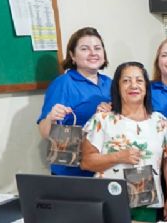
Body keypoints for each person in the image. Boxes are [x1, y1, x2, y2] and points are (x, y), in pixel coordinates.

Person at [80, 62, 167, 222]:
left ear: (146, 87)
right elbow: (86, 162)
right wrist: (118, 156)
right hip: (108, 201)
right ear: (117, 87)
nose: (133, 85)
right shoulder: (102, 120)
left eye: (139, 80)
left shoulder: (160, 122)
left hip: (147, 202)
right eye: (126, 81)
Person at [37, 27, 111, 176]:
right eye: (85, 49)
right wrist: (51, 118)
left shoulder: (110, 83)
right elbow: (44, 133)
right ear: (73, 55)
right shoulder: (64, 83)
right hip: (72, 172)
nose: (93, 53)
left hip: (105, 168)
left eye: (97, 48)